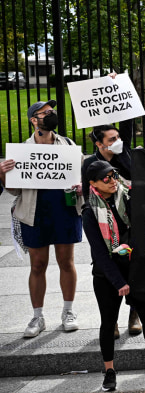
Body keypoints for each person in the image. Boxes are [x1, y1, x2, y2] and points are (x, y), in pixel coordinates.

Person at [82, 160, 145, 391]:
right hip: (107, 274)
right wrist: (118, 281)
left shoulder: (127, 197)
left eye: (113, 175)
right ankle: (109, 371)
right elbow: (99, 252)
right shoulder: (90, 212)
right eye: (105, 178)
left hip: (136, 268)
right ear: (93, 183)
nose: (112, 181)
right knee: (108, 323)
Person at [3, 100, 84, 338]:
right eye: (44, 113)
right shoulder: (22, 150)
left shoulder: (68, 145)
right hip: (35, 213)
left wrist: (81, 186)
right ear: (33, 120)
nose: (50, 115)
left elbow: (82, 175)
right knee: (37, 265)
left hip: (65, 210)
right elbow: (15, 191)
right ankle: (37, 316)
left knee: (66, 262)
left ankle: (68, 312)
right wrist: (3, 174)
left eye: (52, 112)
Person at [82, 100, 141, 338]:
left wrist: (119, 87)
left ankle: (134, 313)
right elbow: (89, 195)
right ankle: (111, 319)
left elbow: (128, 119)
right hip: (106, 224)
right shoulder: (90, 164)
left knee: (134, 268)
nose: (116, 142)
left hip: (129, 219)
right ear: (99, 144)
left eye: (118, 137)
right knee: (106, 267)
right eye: (111, 140)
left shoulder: (124, 154)